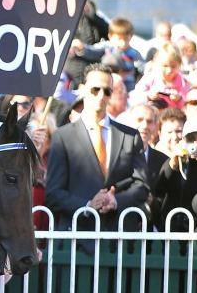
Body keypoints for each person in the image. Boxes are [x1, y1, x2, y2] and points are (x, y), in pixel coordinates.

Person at [44, 65, 149, 230]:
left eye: (107, 91)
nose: (101, 95)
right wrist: (87, 205)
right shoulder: (62, 136)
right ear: (83, 89)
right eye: (95, 89)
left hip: (119, 236)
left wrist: (116, 200)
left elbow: (141, 186)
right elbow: (53, 193)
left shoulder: (130, 136)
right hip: (77, 237)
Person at [153, 116, 197, 232]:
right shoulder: (177, 160)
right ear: (183, 141)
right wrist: (172, 165)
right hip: (170, 228)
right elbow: (158, 191)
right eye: (191, 139)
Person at [102, 16, 144, 91]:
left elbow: (142, 66)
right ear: (110, 37)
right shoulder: (107, 48)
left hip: (128, 84)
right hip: (110, 82)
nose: (122, 43)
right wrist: (83, 48)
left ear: (130, 37)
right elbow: (92, 51)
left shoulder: (133, 53)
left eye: (126, 39)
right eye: (119, 39)